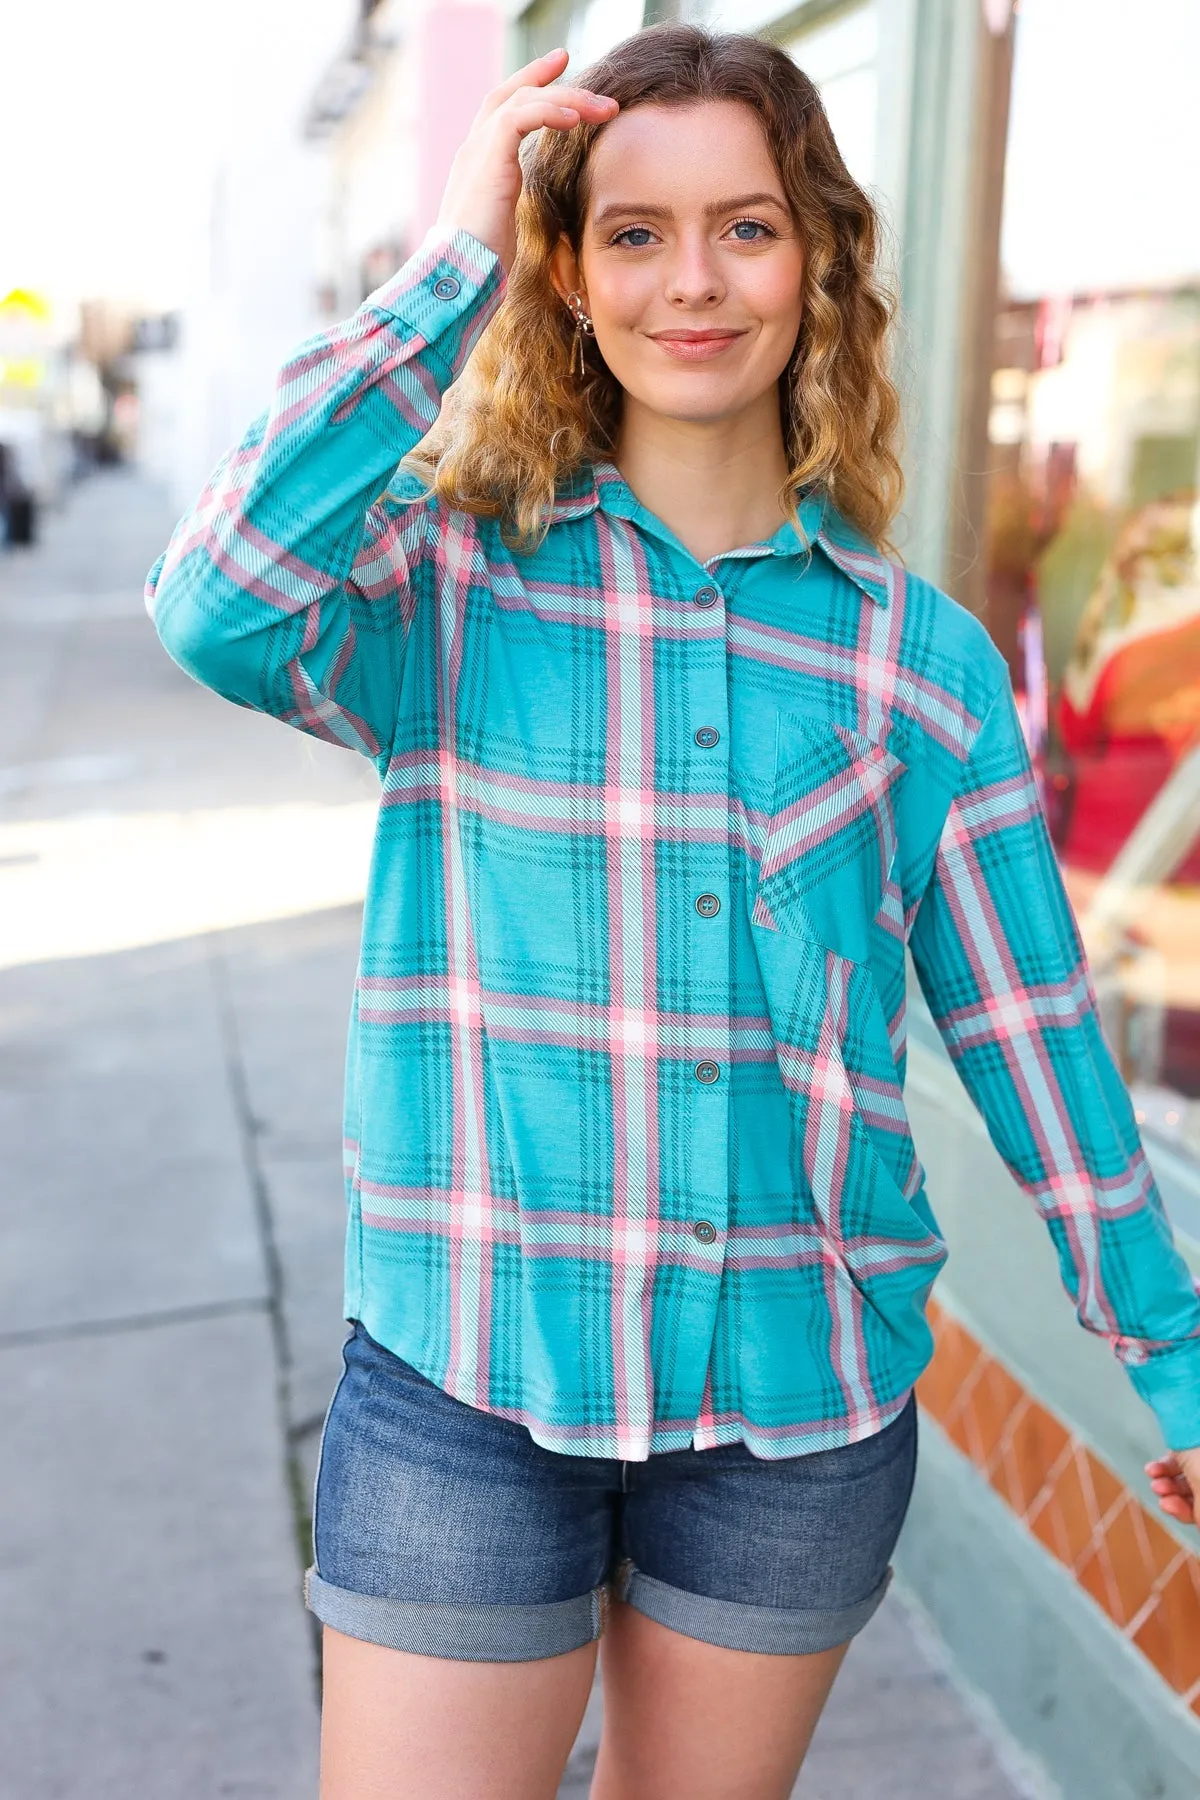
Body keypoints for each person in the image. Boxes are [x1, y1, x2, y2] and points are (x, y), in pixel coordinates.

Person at [146, 25, 1200, 1800]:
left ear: (819, 263)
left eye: (748, 227)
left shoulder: (916, 664)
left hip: (795, 1413)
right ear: (566, 274)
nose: (693, 282)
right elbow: (217, 600)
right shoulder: (444, 581)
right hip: (471, 1380)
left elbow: (1036, 1045)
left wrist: (1169, 1351)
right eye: (631, 233)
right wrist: (462, 251)